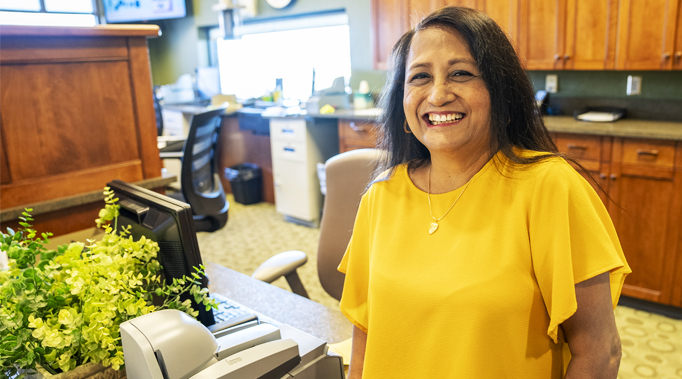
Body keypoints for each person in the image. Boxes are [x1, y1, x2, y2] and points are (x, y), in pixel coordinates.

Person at [338, 6, 630, 379]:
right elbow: (366, 333)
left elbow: (599, 353)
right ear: (402, 99)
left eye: (460, 73)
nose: (438, 94)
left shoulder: (550, 188)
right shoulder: (380, 196)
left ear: (499, 91)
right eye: (420, 77)